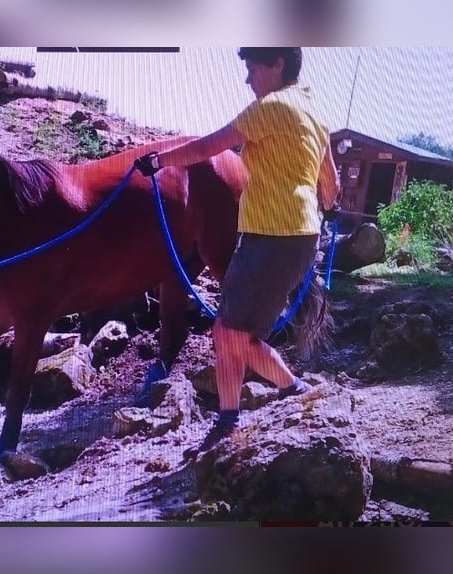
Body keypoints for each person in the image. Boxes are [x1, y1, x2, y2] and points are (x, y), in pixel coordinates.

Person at [134, 47, 341, 456]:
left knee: (232, 335)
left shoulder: (269, 108)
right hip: (289, 235)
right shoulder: (314, 113)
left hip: (274, 237)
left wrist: (158, 162)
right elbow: (330, 181)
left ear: (277, 65)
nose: (248, 80)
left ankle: (293, 389)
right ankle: (228, 418)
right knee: (225, 332)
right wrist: (330, 211)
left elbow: (207, 147)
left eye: (252, 69)